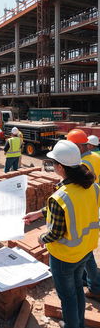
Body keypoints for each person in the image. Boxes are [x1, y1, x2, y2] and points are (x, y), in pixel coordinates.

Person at [23, 140, 99, 328]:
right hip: (85, 250)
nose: (53, 166)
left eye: (54, 163)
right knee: (77, 291)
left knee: (67, 297)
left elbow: (55, 233)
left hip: (64, 257)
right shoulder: (93, 187)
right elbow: (73, 210)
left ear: (61, 167)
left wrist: (42, 238)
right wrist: (39, 213)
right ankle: (79, 324)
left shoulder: (60, 196)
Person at [67, 128, 100, 301]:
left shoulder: (84, 163)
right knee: (86, 245)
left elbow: (77, 189)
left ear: (80, 147)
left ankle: (94, 285)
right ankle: (88, 280)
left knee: (84, 247)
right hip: (96, 200)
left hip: (88, 204)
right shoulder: (96, 156)